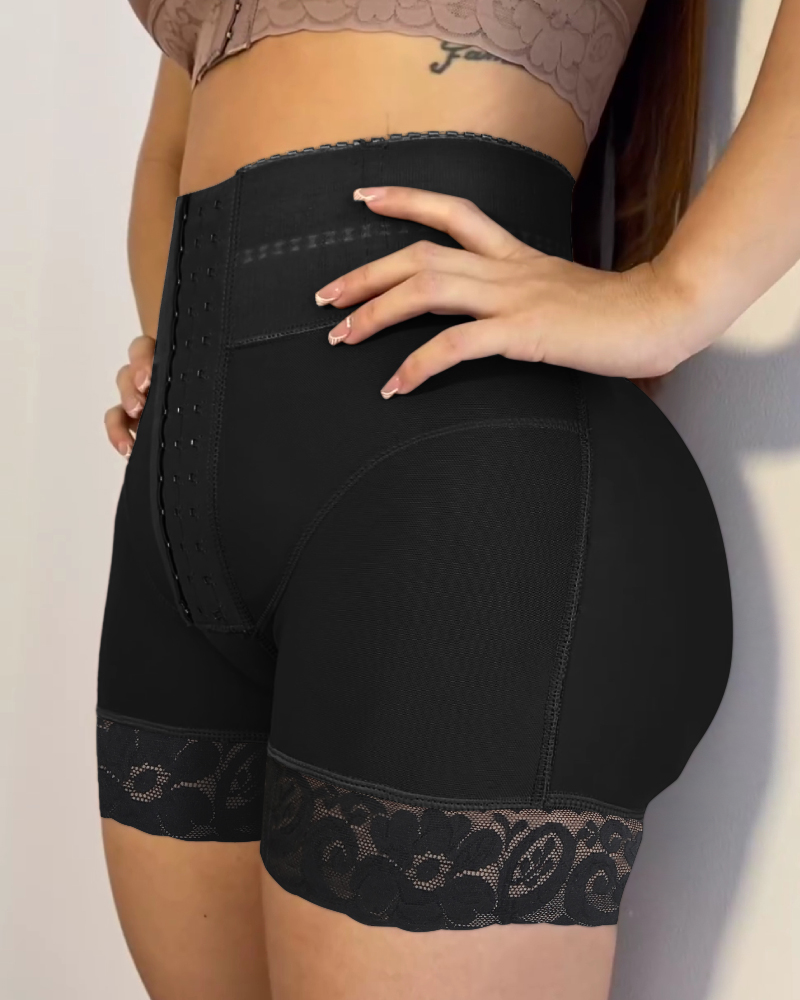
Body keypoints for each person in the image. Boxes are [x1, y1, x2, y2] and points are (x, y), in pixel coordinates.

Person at [97, 0, 799, 996]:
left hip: (463, 510)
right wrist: (179, 352)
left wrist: (671, 298)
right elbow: (180, 132)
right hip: (186, 513)